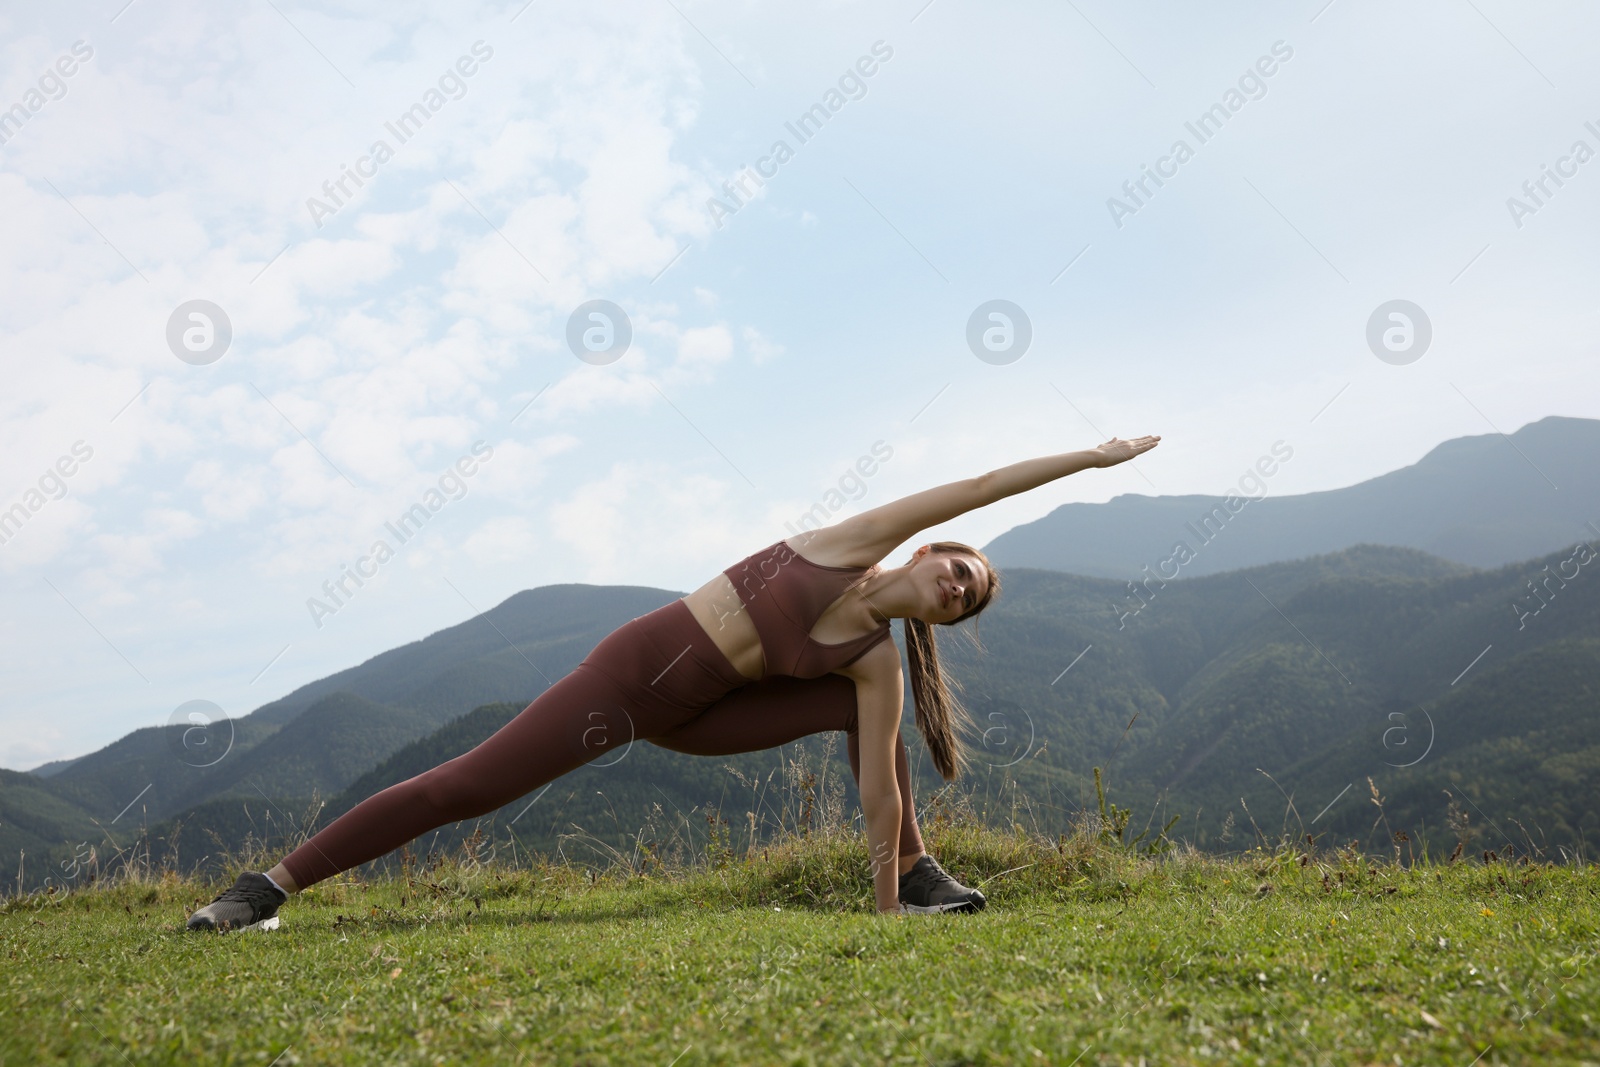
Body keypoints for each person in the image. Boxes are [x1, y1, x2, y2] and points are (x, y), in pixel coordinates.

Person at [186, 435, 1160, 929]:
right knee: (463, 786)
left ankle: (908, 882)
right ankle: (264, 887)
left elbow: (874, 789)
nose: (957, 586)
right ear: (929, 551)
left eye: (969, 598)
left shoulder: (872, 662)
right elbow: (984, 486)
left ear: (946, 619)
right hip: (627, 683)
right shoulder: (849, 542)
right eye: (960, 569)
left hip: (705, 717)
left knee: (877, 730)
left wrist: (874, 915)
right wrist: (1093, 455)